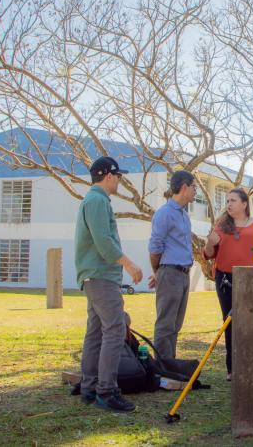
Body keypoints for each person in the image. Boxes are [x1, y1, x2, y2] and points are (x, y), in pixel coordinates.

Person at [75, 156, 143, 412]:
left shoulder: (94, 200)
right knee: (114, 330)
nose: (121, 181)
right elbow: (104, 242)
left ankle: (90, 388)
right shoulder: (97, 201)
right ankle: (106, 391)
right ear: (108, 175)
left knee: (95, 333)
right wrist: (129, 264)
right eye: (119, 176)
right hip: (102, 277)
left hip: (94, 277)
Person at [202, 188, 253, 381]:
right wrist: (210, 243)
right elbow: (208, 253)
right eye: (227, 201)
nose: (228, 204)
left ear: (244, 204)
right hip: (225, 278)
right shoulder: (221, 225)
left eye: (233, 200)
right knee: (230, 322)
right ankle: (232, 368)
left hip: (251, 279)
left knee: (252, 321)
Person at [148, 170, 196, 360]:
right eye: (193, 187)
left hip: (183, 274)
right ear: (184, 187)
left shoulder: (184, 215)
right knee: (165, 323)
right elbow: (155, 247)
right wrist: (158, 272)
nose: (195, 191)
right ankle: (162, 368)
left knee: (175, 324)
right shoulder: (164, 214)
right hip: (170, 273)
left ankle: (170, 364)